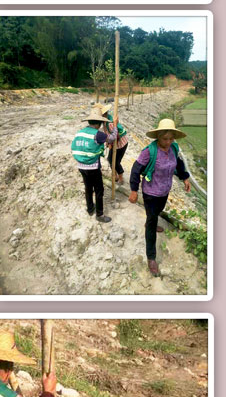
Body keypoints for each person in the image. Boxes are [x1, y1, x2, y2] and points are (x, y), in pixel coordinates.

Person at [129, 119, 191, 277]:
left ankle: (152, 219)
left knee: (157, 212)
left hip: (164, 190)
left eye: (171, 138)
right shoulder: (149, 151)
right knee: (151, 223)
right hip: (150, 193)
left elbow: (178, 164)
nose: (168, 142)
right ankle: (151, 258)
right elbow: (136, 170)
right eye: (165, 138)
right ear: (158, 137)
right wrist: (134, 190)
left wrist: (185, 178)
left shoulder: (173, 148)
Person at [70, 105, 119, 223]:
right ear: (99, 123)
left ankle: (90, 209)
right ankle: (100, 214)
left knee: (88, 188)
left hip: (81, 166)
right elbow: (112, 138)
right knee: (99, 190)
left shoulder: (80, 133)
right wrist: (115, 126)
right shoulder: (98, 134)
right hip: (92, 167)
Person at [100, 105, 130, 184]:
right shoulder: (105, 121)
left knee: (116, 162)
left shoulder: (110, 123)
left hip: (120, 144)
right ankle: (115, 175)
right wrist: (108, 142)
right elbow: (108, 133)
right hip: (114, 143)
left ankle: (120, 177)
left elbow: (116, 135)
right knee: (110, 159)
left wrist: (110, 143)